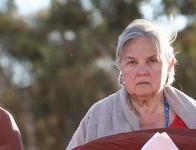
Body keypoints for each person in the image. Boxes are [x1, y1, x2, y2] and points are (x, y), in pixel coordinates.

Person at [66, 19, 196, 149]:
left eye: (152, 60)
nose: (142, 72)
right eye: (132, 62)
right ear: (120, 66)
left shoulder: (192, 114)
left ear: (169, 64)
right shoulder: (97, 117)